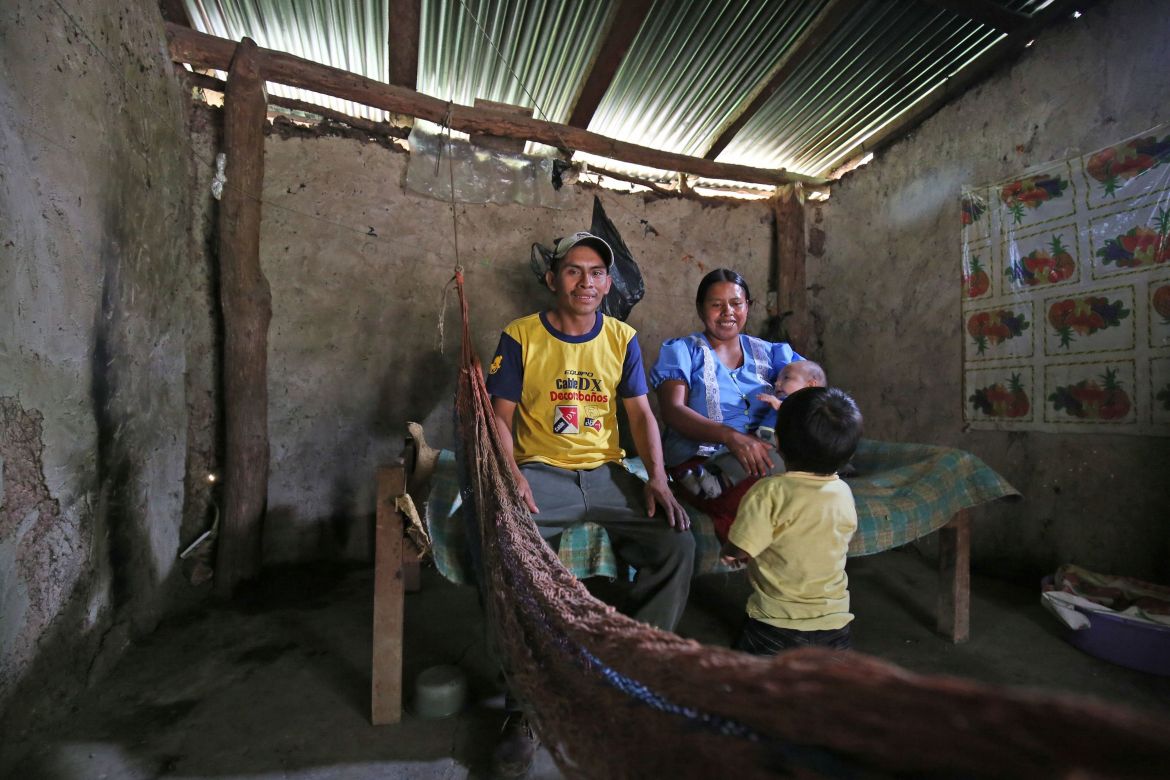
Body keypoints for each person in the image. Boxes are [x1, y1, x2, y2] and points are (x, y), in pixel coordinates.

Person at [485, 230, 694, 778]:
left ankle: (633, 680)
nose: (587, 280)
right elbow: (498, 419)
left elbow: (643, 415)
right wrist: (511, 479)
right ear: (553, 279)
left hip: (604, 472)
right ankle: (522, 707)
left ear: (608, 284)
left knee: (676, 541)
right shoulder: (520, 336)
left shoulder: (622, 338)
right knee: (507, 552)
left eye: (597, 271)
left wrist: (658, 479)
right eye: (574, 270)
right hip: (541, 472)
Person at [650, 268, 804, 542]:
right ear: (700, 309)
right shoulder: (683, 351)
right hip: (702, 463)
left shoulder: (773, 354)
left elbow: (812, 390)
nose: (727, 312)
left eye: (736, 303)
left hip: (764, 455)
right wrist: (730, 436)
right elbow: (672, 411)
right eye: (716, 305)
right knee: (761, 500)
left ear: (748, 306)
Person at [720, 386, 863, 655]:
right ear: (848, 453)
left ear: (779, 443)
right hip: (834, 624)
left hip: (773, 626)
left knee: (748, 687)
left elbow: (741, 547)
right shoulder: (843, 492)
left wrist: (729, 552)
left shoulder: (769, 492)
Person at [687, 359, 827, 498]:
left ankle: (718, 484)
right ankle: (706, 476)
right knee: (737, 450)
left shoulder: (810, 407)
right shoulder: (785, 399)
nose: (777, 383)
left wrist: (780, 406)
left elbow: (802, 421)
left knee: (749, 461)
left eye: (786, 377)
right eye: (777, 380)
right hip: (765, 438)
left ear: (811, 385)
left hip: (779, 449)